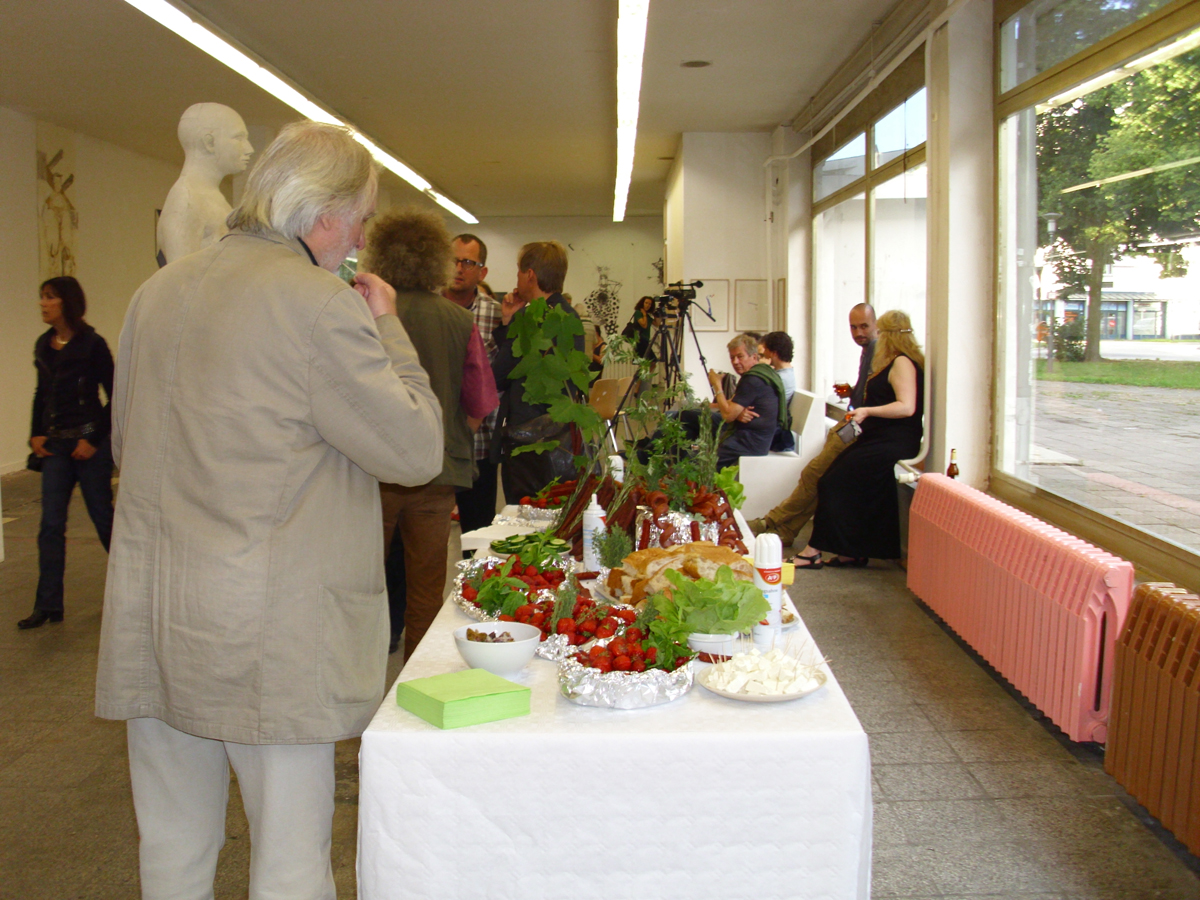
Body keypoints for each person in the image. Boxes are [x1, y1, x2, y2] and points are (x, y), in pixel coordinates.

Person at [95, 121, 443, 900]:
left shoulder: (156, 293)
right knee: (289, 859)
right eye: (362, 217)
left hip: (157, 611)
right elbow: (416, 449)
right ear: (325, 218)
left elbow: (127, 443)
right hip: (268, 631)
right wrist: (387, 325)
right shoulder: (319, 305)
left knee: (173, 848)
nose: (360, 236)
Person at [368, 211, 498, 659]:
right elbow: (481, 404)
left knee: (364, 582)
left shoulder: (361, 314)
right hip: (437, 472)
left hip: (373, 474)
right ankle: (414, 676)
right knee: (426, 586)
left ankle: (361, 674)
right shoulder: (459, 320)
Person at [19, 276, 114, 630]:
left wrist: (93, 438)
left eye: (49, 298)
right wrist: (36, 433)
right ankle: (48, 605)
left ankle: (136, 587)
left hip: (89, 447)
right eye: (42, 297)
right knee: (50, 526)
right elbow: (40, 395)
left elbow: (114, 395)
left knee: (104, 520)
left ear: (67, 303)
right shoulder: (44, 346)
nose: (43, 304)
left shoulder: (92, 345)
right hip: (56, 447)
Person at [746, 303, 877, 554]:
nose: (858, 332)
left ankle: (772, 522)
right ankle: (782, 528)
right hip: (852, 424)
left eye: (864, 326)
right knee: (816, 475)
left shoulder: (876, 350)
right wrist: (853, 392)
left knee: (814, 474)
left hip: (858, 428)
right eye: (853, 327)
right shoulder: (868, 350)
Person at [799, 309, 924, 567]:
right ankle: (852, 551)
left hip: (892, 440)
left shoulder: (900, 362)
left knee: (832, 482)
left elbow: (906, 406)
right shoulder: (896, 361)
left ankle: (814, 551)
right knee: (841, 483)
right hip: (880, 437)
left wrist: (867, 410)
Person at [491, 240, 584, 503]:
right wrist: (510, 322)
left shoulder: (532, 319)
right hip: (560, 435)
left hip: (529, 437)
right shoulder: (567, 314)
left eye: (519, 271)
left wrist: (510, 323)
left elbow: (501, 374)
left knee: (526, 514)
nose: (517, 278)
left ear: (530, 274)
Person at [444, 233, 504, 549]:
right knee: (426, 541)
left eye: (468, 262)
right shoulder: (427, 310)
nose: (459, 268)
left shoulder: (495, 315)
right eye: (453, 259)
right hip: (434, 448)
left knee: (477, 538)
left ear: (482, 272)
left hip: (479, 447)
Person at [157, 103, 254, 264]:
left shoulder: (210, 197)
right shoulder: (186, 198)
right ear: (209, 142)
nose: (249, 148)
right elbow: (181, 282)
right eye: (238, 138)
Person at [706, 333, 787, 471]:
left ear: (754, 357)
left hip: (749, 442)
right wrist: (738, 412)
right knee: (687, 417)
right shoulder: (763, 372)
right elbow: (733, 407)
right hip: (751, 435)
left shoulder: (752, 379)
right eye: (732, 358)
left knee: (700, 461)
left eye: (740, 356)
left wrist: (716, 384)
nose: (735, 362)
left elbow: (727, 415)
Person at [623, 295, 656, 360]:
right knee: (652, 360)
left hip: (645, 340)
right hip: (640, 339)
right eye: (646, 303)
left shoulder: (647, 316)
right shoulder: (638, 313)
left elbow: (657, 324)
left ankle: (642, 370)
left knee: (645, 362)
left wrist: (657, 314)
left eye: (650, 304)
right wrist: (644, 314)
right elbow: (644, 325)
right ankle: (642, 370)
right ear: (642, 303)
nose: (647, 305)